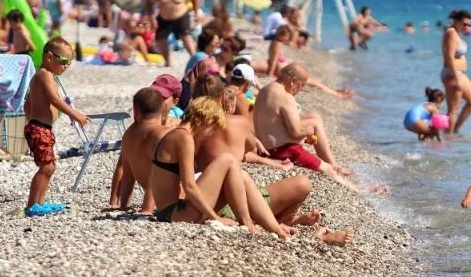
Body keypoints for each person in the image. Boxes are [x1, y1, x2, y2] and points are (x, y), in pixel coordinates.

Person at [194, 79, 354, 245]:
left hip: (204, 200)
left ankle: (284, 224)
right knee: (302, 183)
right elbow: (251, 150)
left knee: (247, 181)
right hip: (228, 204)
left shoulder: (191, 128)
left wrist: (274, 164)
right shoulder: (237, 123)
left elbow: (239, 155)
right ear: (227, 103)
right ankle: (312, 239)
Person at [147, 96, 253, 230]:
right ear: (205, 120)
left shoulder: (177, 134)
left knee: (239, 175)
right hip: (175, 214)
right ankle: (248, 223)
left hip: (168, 211)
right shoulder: (184, 138)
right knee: (228, 159)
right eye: (212, 128)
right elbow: (189, 186)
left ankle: (272, 227)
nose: (210, 133)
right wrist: (215, 217)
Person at [254, 64, 357, 190]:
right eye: (301, 86)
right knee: (327, 169)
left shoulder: (266, 88)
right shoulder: (286, 97)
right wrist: (307, 131)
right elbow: (295, 133)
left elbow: (278, 121)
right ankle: (356, 189)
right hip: (281, 151)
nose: (299, 90)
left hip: (265, 147)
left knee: (314, 117)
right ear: (293, 82)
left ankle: (333, 164)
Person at [23, 38, 90, 217]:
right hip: (40, 128)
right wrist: (74, 114)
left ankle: (40, 202)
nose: (66, 66)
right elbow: (54, 100)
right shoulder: (44, 75)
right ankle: (31, 205)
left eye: (69, 63)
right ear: (49, 57)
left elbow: (27, 103)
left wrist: (31, 120)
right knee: (46, 167)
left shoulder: (42, 76)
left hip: (41, 127)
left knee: (50, 167)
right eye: (63, 61)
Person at [108, 87, 173, 213]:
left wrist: (123, 206)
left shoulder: (128, 135)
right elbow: (157, 174)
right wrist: (147, 209)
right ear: (162, 109)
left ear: (136, 111)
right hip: (176, 201)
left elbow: (127, 176)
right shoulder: (165, 134)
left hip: (158, 202)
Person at [145, 0, 199, 67]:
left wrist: (195, 13)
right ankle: (168, 61)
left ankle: (196, 60)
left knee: (186, 37)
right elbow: (149, 3)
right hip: (163, 18)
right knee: (160, 39)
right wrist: (152, 18)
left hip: (181, 16)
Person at [440, 10, 471, 134]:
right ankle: (449, 137)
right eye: (464, 24)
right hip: (452, 74)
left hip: (460, 74)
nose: (466, 27)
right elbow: (449, 57)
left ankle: (454, 130)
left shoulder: (457, 33)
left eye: (469, 25)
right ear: (456, 21)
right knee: (453, 110)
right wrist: (456, 78)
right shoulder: (451, 32)